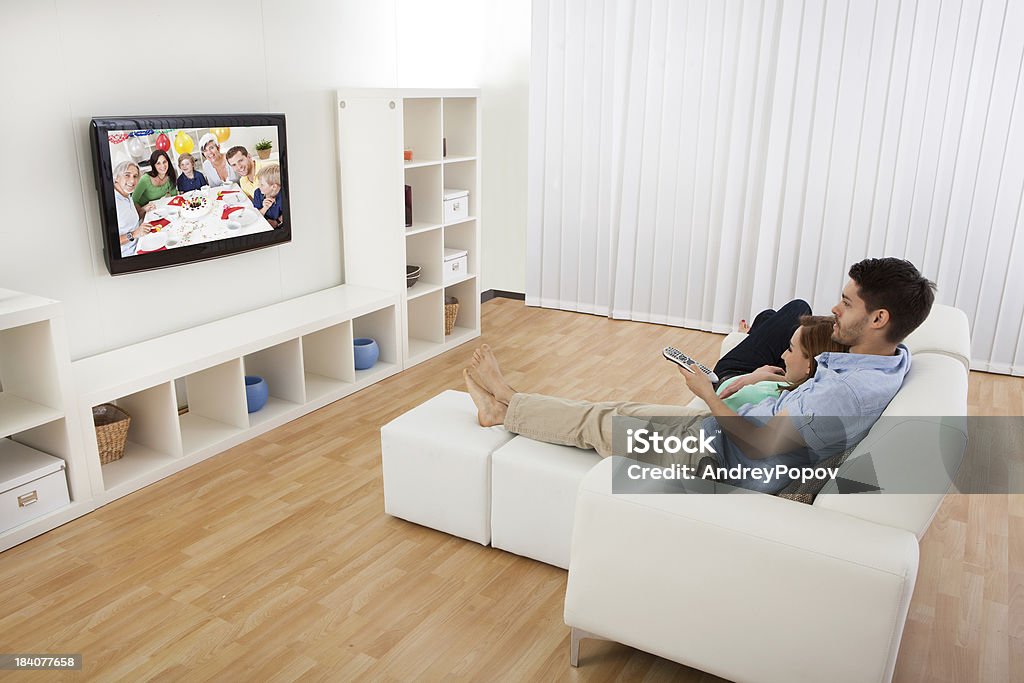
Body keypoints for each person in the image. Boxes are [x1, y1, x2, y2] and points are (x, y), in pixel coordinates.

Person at [464, 257, 936, 493]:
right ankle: (505, 406)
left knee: (597, 425)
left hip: (712, 458)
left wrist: (708, 394)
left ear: (879, 319)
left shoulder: (850, 392)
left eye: (848, 302)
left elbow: (762, 446)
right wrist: (753, 382)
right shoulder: (891, 357)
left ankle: (504, 403)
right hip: (717, 436)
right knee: (612, 412)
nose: (836, 306)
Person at [716, 315, 848, 411]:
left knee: (798, 306)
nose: (783, 355)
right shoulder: (819, 389)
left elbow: (721, 398)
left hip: (730, 375)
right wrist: (768, 376)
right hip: (778, 376)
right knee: (767, 315)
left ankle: (751, 334)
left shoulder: (762, 395)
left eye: (790, 348)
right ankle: (754, 332)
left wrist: (756, 376)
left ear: (810, 364)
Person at [111, 161, 152, 257]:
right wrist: (133, 234)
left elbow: (131, 221)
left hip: (141, 242)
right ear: (116, 177)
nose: (132, 181)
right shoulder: (112, 203)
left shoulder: (127, 195)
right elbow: (111, 243)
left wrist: (143, 210)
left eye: (135, 176)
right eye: (127, 175)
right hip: (131, 254)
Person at [253, 163, 284, 228]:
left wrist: (277, 222)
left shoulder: (283, 197)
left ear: (274, 187)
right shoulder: (257, 193)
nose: (258, 186)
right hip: (261, 221)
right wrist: (265, 208)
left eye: (262, 184)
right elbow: (255, 215)